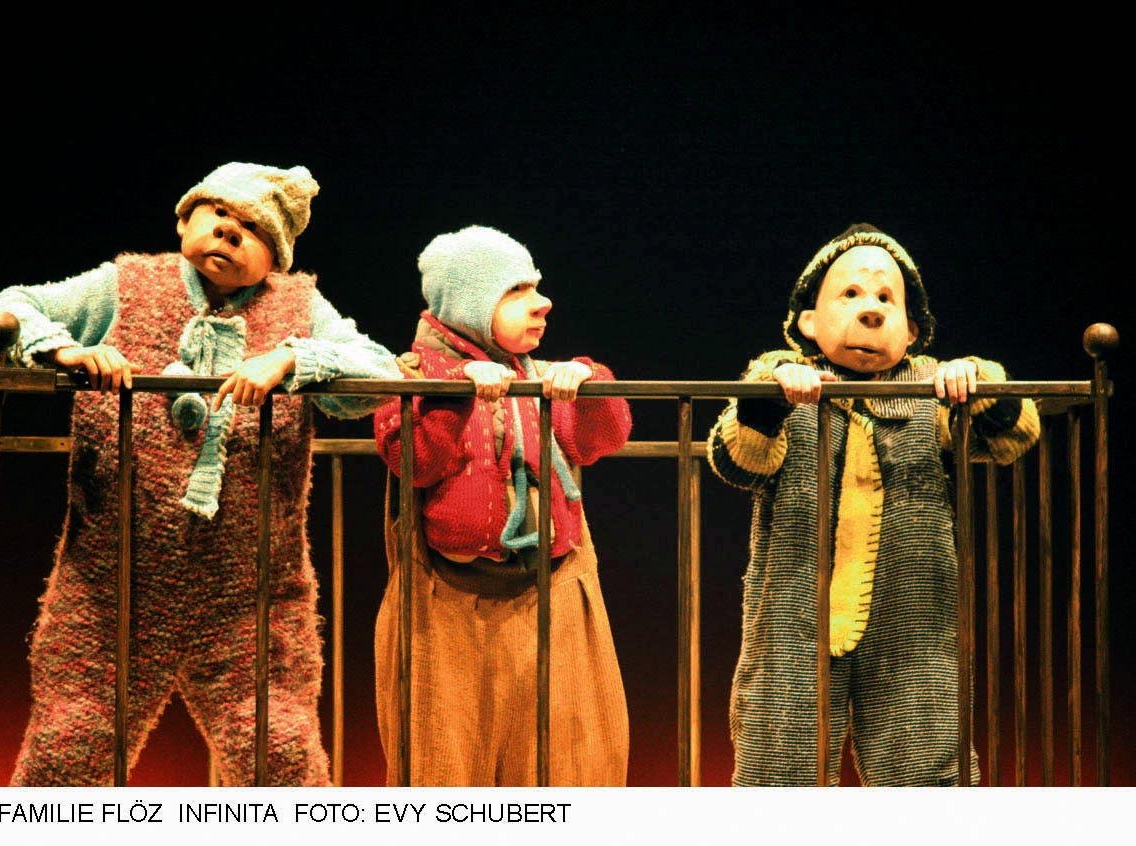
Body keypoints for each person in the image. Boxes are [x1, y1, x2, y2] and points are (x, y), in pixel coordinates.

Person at [0, 162, 400, 786]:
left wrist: (293, 358)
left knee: (280, 756)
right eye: (219, 213)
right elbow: (9, 309)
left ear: (276, 259)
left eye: (255, 228)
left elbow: (381, 374)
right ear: (184, 219)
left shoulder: (298, 307)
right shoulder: (125, 286)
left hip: (251, 599)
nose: (230, 231)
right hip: (109, 590)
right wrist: (66, 350)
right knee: (68, 749)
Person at [706, 223, 1040, 786]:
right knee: (779, 763)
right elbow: (736, 462)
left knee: (925, 765)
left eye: (887, 298)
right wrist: (771, 398)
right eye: (851, 293)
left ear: (912, 331)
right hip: (794, 617)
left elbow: (1015, 437)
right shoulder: (781, 378)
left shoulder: (932, 388)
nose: (871, 310)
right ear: (808, 320)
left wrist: (977, 384)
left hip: (914, 617)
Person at [373, 225, 631, 785]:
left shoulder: (537, 377)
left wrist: (590, 380)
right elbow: (415, 461)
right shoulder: (412, 375)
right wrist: (452, 392)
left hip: (548, 596)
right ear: (470, 305)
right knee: (445, 765)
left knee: (565, 762)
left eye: (536, 286)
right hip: (448, 609)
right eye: (516, 290)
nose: (542, 303)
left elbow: (601, 440)